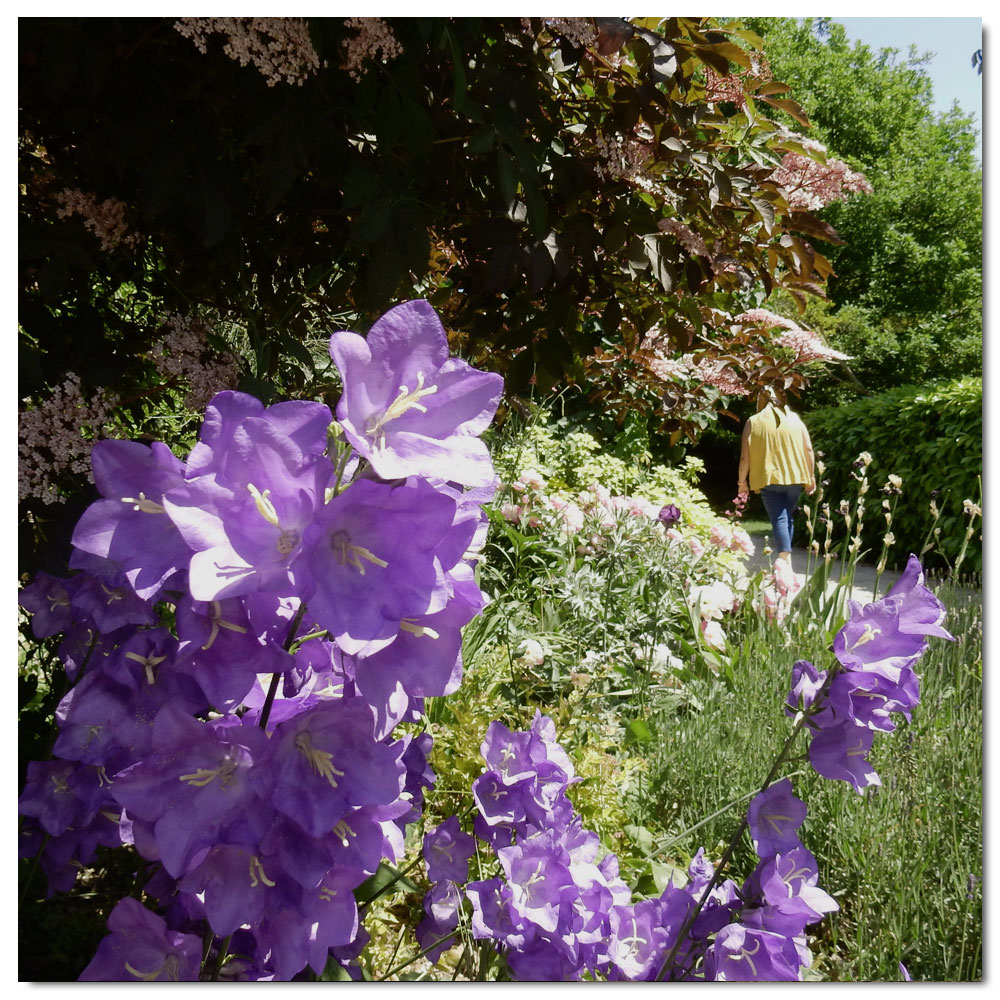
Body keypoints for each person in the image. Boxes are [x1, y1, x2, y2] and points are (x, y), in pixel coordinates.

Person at [737, 393, 816, 563]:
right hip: (796, 477)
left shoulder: (753, 421)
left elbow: (745, 457)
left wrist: (742, 482)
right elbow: (808, 449)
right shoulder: (795, 419)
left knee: (780, 518)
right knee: (787, 517)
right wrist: (811, 476)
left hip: (768, 478)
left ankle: (784, 561)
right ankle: (785, 559)